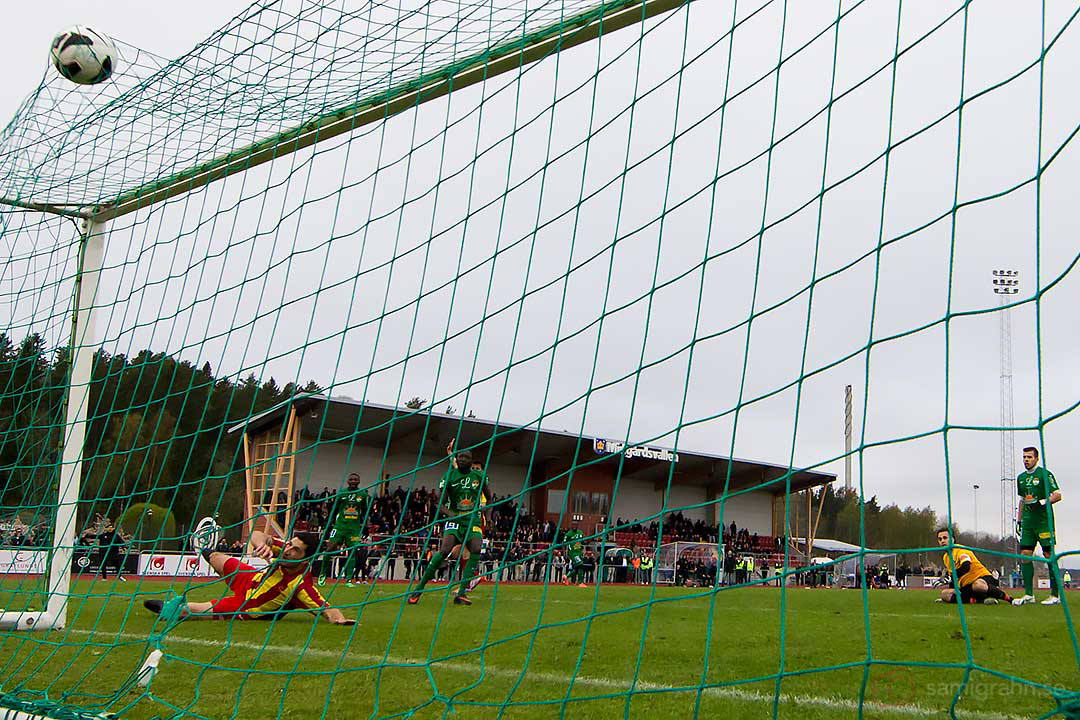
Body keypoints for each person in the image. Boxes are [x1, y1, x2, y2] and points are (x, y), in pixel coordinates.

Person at [143, 530, 353, 624]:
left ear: (306, 560)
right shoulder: (283, 550)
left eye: (295, 550)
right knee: (213, 556)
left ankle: (167, 608)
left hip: (245, 605)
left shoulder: (301, 586)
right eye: (289, 544)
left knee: (191, 610)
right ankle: (208, 555)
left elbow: (327, 609)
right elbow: (256, 534)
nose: (287, 550)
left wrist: (340, 619)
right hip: (249, 578)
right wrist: (264, 542)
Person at [408, 448, 490, 606]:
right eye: (460, 457)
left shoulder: (479, 476)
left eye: (466, 457)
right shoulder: (449, 476)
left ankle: (461, 594)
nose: (462, 460)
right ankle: (418, 589)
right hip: (455, 518)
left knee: (476, 548)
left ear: (471, 461)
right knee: (445, 550)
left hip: (473, 519)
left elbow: (489, 495)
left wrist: (487, 512)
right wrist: (452, 515)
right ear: (457, 460)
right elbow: (439, 503)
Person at [1013, 446, 1063, 605]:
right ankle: (1029, 594)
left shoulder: (1044, 474)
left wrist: (1042, 502)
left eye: (1029, 457)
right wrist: (1019, 520)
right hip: (1028, 524)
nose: (1026, 460)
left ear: (1036, 458)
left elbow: (1057, 495)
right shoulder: (1020, 478)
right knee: (1025, 555)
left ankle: (1055, 595)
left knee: (1049, 556)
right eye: (1024, 457)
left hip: (1043, 523)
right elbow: (1022, 500)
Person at [934, 528, 1013, 605]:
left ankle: (1010, 599)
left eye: (945, 538)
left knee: (977, 585)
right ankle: (980, 600)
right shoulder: (945, 557)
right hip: (967, 585)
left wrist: (950, 578)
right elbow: (954, 576)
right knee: (945, 594)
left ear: (952, 539)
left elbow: (966, 567)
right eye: (940, 539)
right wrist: (951, 585)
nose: (942, 541)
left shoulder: (961, 550)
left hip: (982, 579)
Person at [318, 473, 369, 587]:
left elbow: (365, 512)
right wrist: (329, 523)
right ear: (347, 481)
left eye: (355, 479)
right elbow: (334, 509)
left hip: (354, 529)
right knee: (329, 549)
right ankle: (322, 574)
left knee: (352, 552)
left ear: (359, 481)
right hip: (340, 527)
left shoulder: (362, 495)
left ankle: (348, 579)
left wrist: (365, 526)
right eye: (351, 479)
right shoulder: (342, 493)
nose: (353, 481)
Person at [562, 523, 587, 587]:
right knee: (581, 565)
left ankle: (566, 576)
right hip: (573, 553)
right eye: (573, 525)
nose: (574, 526)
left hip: (579, 552)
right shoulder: (568, 534)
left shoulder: (580, 532)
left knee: (577, 568)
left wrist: (586, 541)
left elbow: (583, 541)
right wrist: (564, 553)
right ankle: (580, 582)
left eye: (576, 525)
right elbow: (563, 543)